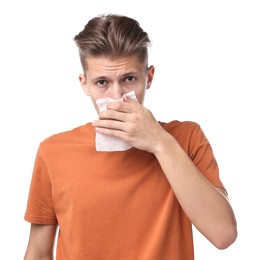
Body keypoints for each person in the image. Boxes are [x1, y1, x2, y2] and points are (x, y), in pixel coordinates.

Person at [24, 14, 237, 260]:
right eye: (102, 82)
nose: (116, 96)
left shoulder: (186, 138)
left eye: (128, 79)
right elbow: (38, 253)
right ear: (85, 84)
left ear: (149, 77)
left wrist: (159, 141)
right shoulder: (53, 151)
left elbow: (223, 234)